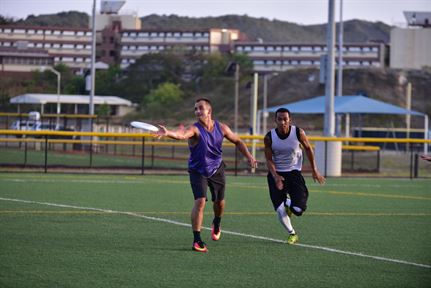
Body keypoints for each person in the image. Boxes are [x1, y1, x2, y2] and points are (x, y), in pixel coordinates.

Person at [156, 98, 257, 252]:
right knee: (200, 202)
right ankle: (197, 240)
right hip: (198, 171)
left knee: (220, 203)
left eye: (200, 108)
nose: (197, 111)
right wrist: (168, 132)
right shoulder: (195, 129)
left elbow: (238, 141)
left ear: (209, 111)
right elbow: (182, 135)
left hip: (217, 169)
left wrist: (249, 156)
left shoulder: (222, 128)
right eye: (195, 109)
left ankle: (216, 222)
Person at [264, 108, 325, 245]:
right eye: (279, 119)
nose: (282, 122)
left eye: (285, 119)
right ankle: (292, 233)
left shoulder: (298, 133)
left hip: (294, 173)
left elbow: (308, 149)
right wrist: (276, 177)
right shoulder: (269, 137)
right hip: (277, 173)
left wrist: (315, 170)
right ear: (275, 120)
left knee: (298, 210)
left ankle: (288, 203)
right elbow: (269, 160)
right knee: (279, 209)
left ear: (290, 120)